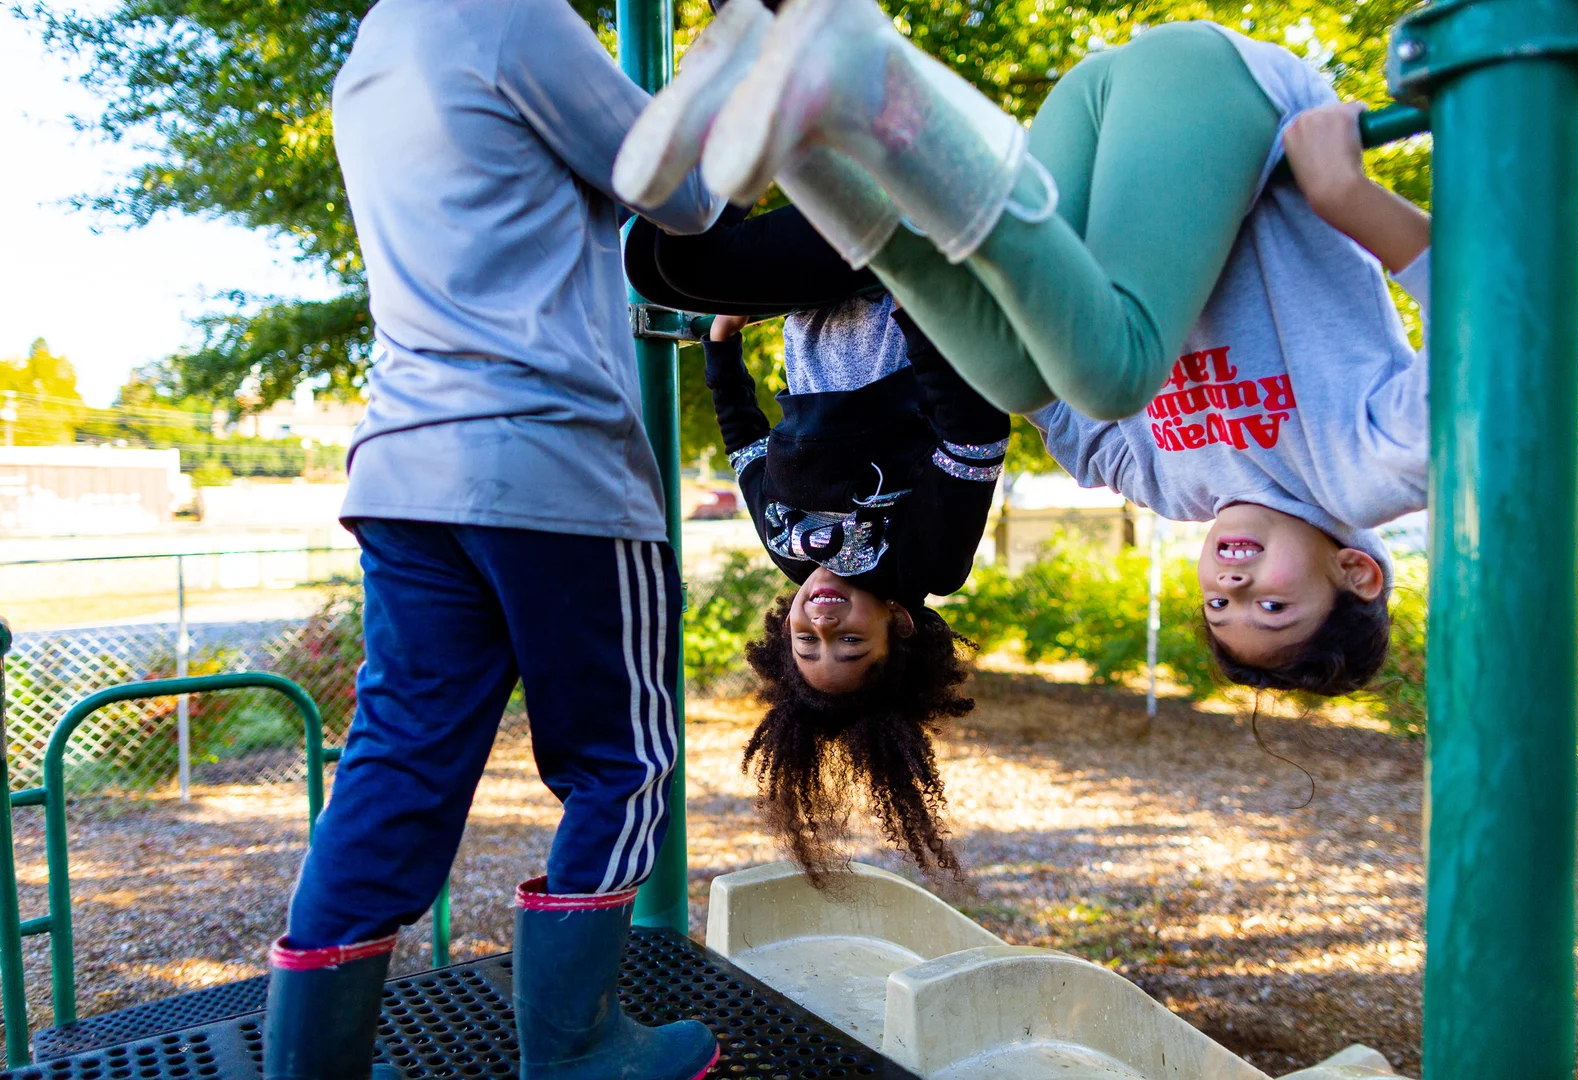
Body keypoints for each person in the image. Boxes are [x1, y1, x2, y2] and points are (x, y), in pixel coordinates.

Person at [618, 3, 1432, 694]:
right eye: (1271, 606)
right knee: (1111, 377)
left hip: (1075, 147)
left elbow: (1010, 396)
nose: (1231, 586)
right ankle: (867, 81)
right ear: (1357, 572)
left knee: (678, 269)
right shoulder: (1374, 471)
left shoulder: (1172, 487)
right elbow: (1483, 318)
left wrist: (927, 301)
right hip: (1214, 103)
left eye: (1221, 608)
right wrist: (1346, 196)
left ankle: (798, 103)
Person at [263, 0, 727, 1076]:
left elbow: (525, 205)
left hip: (405, 465)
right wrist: (725, 68)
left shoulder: (375, 51)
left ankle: (309, 1068)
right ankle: (574, 1049)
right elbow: (686, 196)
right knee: (626, 758)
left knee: (394, 766)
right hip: (549, 464)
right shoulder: (516, 17)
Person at [625, 196, 1006, 882]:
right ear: (900, 627)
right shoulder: (926, 560)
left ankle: (764, 157)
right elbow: (976, 439)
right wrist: (919, 311)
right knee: (680, 257)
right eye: (850, 641)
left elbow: (746, 452)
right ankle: (773, 144)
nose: (822, 622)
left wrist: (721, 355)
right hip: (891, 305)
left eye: (809, 642)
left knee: (653, 265)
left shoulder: (788, 552)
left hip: (811, 312)